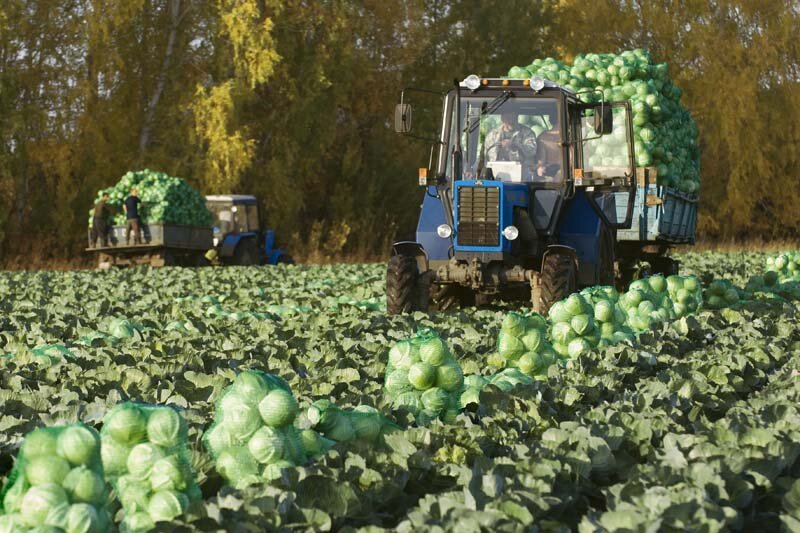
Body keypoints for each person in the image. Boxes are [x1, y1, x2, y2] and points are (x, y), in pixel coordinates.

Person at [534, 109, 562, 179]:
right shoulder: (543, 138)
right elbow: (540, 164)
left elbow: (541, 162)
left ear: (550, 120)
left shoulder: (542, 137)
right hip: (553, 176)